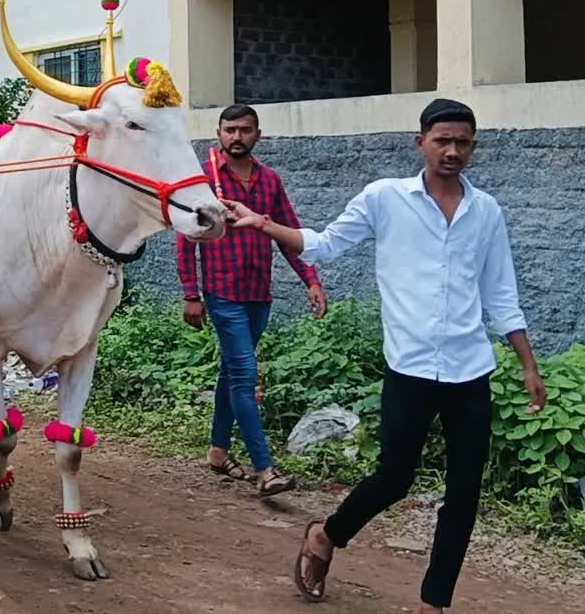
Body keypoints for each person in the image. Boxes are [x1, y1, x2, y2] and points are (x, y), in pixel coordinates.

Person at [222, 98, 547, 613]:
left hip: (470, 372)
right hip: (410, 369)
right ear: (420, 143)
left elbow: (501, 294)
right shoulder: (385, 198)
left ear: (473, 147)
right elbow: (323, 244)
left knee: (464, 495)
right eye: (443, 140)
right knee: (394, 479)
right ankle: (326, 536)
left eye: (463, 142)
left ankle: (432, 604)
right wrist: (261, 223)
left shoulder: (485, 212)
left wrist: (528, 364)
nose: (453, 150)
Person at [177, 104, 327, 498]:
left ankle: (217, 451)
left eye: (244, 130)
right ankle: (266, 469)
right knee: (244, 375)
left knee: (231, 372)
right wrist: (191, 294)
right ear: (219, 133)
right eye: (230, 130)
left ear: (257, 134)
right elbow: (184, 241)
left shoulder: (270, 181)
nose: (236, 137)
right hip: (223, 294)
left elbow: (288, 234)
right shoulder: (205, 180)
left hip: (259, 294)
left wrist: (311, 280)